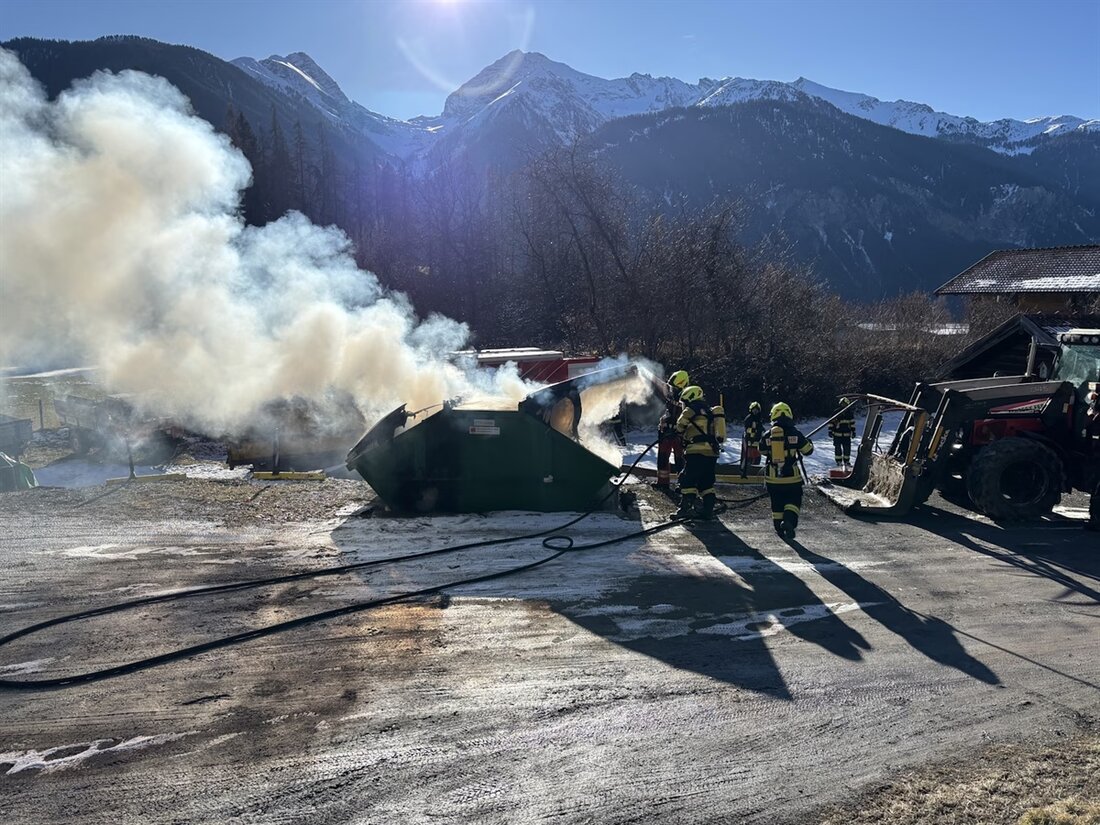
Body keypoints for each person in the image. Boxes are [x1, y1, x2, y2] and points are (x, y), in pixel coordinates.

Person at [762, 401, 814, 539]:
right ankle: (789, 521)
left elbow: (761, 450)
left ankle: (778, 526)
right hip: (792, 478)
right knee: (794, 500)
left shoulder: (768, 434)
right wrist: (809, 443)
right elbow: (807, 451)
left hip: (772, 478)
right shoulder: (796, 433)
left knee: (776, 502)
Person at [673, 385, 726, 519]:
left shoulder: (692, 408)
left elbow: (681, 424)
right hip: (711, 453)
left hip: (696, 451)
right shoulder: (710, 411)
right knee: (706, 482)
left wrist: (677, 431)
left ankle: (685, 509)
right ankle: (707, 511)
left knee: (687, 479)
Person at [656, 370, 690, 489]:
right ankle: (662, 483)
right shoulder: (669, 391)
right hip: (665, 432)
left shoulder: (688, 398)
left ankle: (683, 486)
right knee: (662, 459)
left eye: (674, 387)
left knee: (680, 461)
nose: (671, 389)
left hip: (679, 434)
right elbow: (657, 383)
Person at [828, 396, 856, 470]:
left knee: (847, 449)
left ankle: (846, 461)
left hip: (846, 435)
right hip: (837, 434)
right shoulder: (836, 412)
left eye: (845, 404)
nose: (843, 405)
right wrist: (830, 430)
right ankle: (839, 461)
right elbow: (831, 422)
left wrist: (853, 431)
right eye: (842, 404)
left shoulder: (849, 413)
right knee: (838, 449)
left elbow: (852, 423)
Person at [742, 401, 763, 477]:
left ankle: (755, 473)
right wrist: (755, 433)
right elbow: (747, 429)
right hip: (749, 443)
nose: (755, 411)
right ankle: (747, 473)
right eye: (754, 410)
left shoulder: (759, 419)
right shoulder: (749, 418)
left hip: (757, 443)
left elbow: (760, 428)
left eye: (757, 410)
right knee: (748, 459)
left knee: (757, 458)